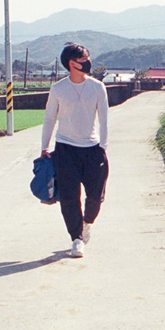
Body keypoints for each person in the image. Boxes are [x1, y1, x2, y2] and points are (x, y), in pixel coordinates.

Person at [41, 43, 109, 259]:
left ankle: (87, 223)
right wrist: (44, 146)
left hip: (92, 148)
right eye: (84, 58)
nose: (88, 61)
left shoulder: (98, 87)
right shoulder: (58, 89)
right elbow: (50, 118)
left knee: (95, 197)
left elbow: (104, 119)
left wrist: (103, 147)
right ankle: (76, 238)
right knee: (70, 197)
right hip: (65, 148)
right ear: (72, 63)